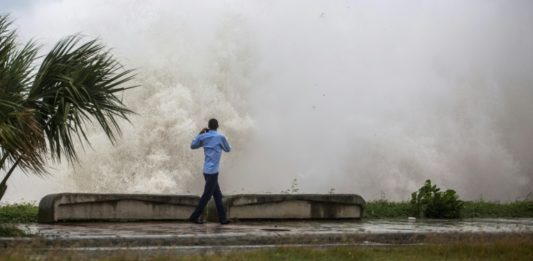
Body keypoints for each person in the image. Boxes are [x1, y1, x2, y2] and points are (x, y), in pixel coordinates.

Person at [189, 118, 231, 224]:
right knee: (207, 196)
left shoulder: (204, 136)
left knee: (217, 195)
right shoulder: (220, 137)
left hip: (206, 171)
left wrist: (200, 133)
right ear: (217, 126)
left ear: (208, 126)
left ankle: (223, 219)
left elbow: (193, 146)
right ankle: (194, 216)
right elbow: (228, 149)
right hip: (213, 172)